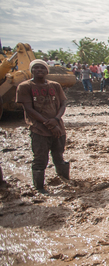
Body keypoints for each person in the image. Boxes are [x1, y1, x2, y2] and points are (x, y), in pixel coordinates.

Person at [16, 60, 69, 195]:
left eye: (42, 68)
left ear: (47, 71)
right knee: (40, 159)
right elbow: (28, 109)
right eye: (36, 68)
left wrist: (56, 119)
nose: (39, 70)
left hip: (58, 126)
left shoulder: (55, 86)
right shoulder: (25, 86)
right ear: (31, 70)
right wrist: (49, 123)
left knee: (59, 156)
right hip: (39, 129)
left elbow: (63, 104)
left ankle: (65, 180)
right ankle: (39, 187)